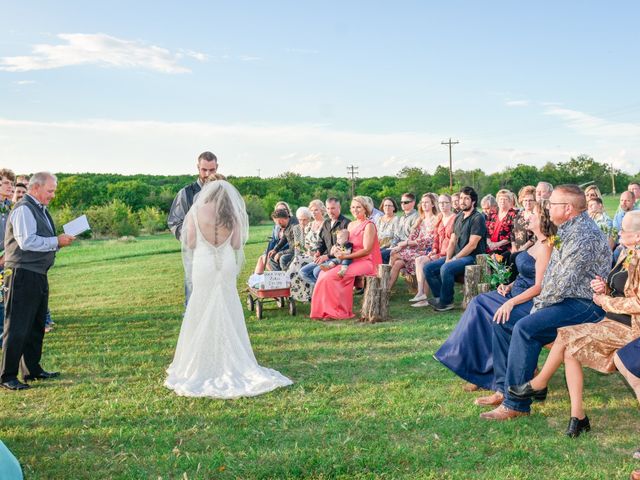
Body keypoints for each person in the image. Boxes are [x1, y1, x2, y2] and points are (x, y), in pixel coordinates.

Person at [480, 184, 611, 420]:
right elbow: (552, 275)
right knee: (504, 321)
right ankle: (504, 388)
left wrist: (536, 309)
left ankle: (515, 405)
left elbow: (562, 284)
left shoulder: (584, 236)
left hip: (585, 305)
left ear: (568, 208)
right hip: (564, 300)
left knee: (526, 327)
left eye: (552, 204)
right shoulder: (567, 230)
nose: (548, 208)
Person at [508, 211, 640, 436]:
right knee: (569, 346)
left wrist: (605, 301)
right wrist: (604, 287)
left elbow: (637, 302)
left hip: (630, 328)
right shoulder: (626, 254)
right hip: (611, 321)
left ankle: (540, 383)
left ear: (637, 236)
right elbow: (620, 288)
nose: (618, 232)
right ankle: (578, 417)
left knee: (566, 339)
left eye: (623, 231)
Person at [165, 180, 292, 398]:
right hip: (225, 264)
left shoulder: (196, 212)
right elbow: (236, 245)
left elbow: (192, 242)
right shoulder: (232, 214)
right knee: (227, 306)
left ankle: (199, 360)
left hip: (204, 263)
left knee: (200, 307)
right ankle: (231, 357)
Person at [434, 202, 554, 394]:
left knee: (495, 316)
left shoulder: (547, 246)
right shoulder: (533, 242)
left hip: (528, 300)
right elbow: (525, 275)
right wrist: (509, 285)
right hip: (515, 292)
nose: (528, 216)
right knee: (477, 305)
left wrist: (511, 301)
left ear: (544, 220)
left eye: (534, 214)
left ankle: (495, 378)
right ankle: (474, 370)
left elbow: (539, 286)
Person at [1, 172, 75, 391]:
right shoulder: (24, 208)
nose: (53, 195)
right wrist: (56, 241)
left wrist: (58, 241)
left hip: (37, 273)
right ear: (35, 188)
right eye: (50, 191)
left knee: (35, 324)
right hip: (22, 273)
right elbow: (26, 242)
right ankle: (7, 376)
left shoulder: (39, 208)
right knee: (16, 326)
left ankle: (32, 369)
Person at [310, 196, 382, 320]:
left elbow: (366, 250)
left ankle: (339, 312)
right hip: (350, 260)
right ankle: (323, 311)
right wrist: (336, 249)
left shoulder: (369, 225)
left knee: (333, 275)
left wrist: (346, 256)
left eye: (358, 207)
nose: (355, 210)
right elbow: (346, 245)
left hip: (366, 261)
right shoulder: (351, 225)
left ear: (365, 208)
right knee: (323, 274)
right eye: (353, 207)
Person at [424, 186, 487, 312]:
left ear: (473, 201)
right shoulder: (458, 217)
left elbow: (472, 245)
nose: (462, 201)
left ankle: (447, 303)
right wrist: (448, 258)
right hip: (458, 256)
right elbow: (452, 240)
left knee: (446, 268)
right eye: (461, 198)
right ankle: (440, 298)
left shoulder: (477, 218)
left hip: (473, 257)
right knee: (428, 268)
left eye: (466, 199)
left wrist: (455, 258)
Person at [411, 194, 456, 306]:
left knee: (428, 267)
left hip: (450, 254)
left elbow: (453, 241)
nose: (443, 205)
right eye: (440, 203)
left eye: (445, 203)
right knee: (420, 260)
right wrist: (434, 250)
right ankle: (421, 293)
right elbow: (436, 237)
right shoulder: (440, 218)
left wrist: (444, 255)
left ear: (450, 204)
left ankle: (441, 297)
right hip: (438, 252)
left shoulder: (455, 218)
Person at [387, 193, 438, 290]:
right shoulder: (421, 219)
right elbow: (412, 236)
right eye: (422, 202)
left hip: (427, 251)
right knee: (397, 262)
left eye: (427, 202)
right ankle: (386, 290)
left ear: (433, 204)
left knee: (394, 254)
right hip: (415, 250)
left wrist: (406, 243)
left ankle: (384, 282)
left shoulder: (435, 219)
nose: (424, 204)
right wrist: (402, 246)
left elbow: (430, 240)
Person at [299, 198, 350, 287]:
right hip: (325, 257)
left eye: (333, 208)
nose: (330, 211)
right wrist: (318, 252)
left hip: (338, 259)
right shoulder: (326, 223)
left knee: (316, 272)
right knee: (303, 272)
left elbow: (346, 248)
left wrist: (327, 256)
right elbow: (322, 242)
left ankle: (326, 292)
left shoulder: (346, 223)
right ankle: (324, 290)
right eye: (328, 208)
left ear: (339, 208)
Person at [167, 151, 218, 241]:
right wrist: (192, 239)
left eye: (211, 170)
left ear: (217, 167)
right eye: (204, 170)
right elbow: (175, 222)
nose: (208, 174)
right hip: (196, 250)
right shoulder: (185, 193)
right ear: (198, 167)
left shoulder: (224, 192)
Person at [288, 202, 325, 302]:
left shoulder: (326, 224)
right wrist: (307, 250)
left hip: (320, 255)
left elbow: (326, 244)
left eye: (316, 210)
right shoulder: (308, 226)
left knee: (297, 262)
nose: (302, 222)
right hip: (306, 254)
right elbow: (302, 245)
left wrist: (315, 253)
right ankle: (293, 292)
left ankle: (289, 289)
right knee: (297, 261)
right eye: (312, 210)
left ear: (322, 210)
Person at [0, 168, 15, 346]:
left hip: (8, 259)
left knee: (5, 297)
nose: (10, 187)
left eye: (12, 184)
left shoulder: (8, 208)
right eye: (7, 183)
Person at [486, 189, 517, 256]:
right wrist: (489, 243)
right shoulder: (492, 213)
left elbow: (513, 233)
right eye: (500, 199)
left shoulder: (514, 214)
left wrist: (497, 244)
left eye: (505, 199)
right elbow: (486, 229)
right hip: (489, 246)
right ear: (497, 201)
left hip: (505, 249)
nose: (502, 201)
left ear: (510, 201)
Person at [511, 186, 536, 253]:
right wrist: (513, 246)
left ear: (535, 201)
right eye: (525, 200)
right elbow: (513, 231)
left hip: (530, 250)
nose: (528, 202)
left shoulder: (537, 216)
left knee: (513, 259)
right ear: (522, 201)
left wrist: (524, 247)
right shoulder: (518, 215)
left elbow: (537, 236)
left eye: (530, 200)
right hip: (516, 248)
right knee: (495, 259)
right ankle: (481, 262)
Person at [376, 197, 400, 264]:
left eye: (390, 205)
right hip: (378, 246)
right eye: (385, 205)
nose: (387, 207)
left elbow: (397, 237)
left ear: (394, 208)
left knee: (380, 254)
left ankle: (382, 273)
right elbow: (375, 234)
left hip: (390, 247)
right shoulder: (379, 219)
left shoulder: (396, 219)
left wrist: (391, 247)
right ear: (382, 207)